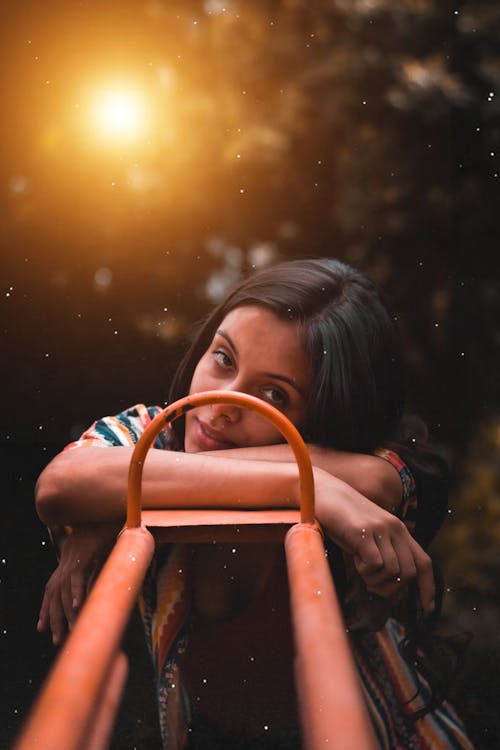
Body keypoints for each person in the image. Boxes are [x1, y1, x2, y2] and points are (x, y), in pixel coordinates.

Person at [35, 258, 473, 750]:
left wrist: (125, 497)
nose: (221, 406)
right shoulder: (157, 432)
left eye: (273, 394)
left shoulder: (365, 467)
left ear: (328, 412)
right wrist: (308, 485)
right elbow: (62, 485)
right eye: (223, 358)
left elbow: (380, 480)